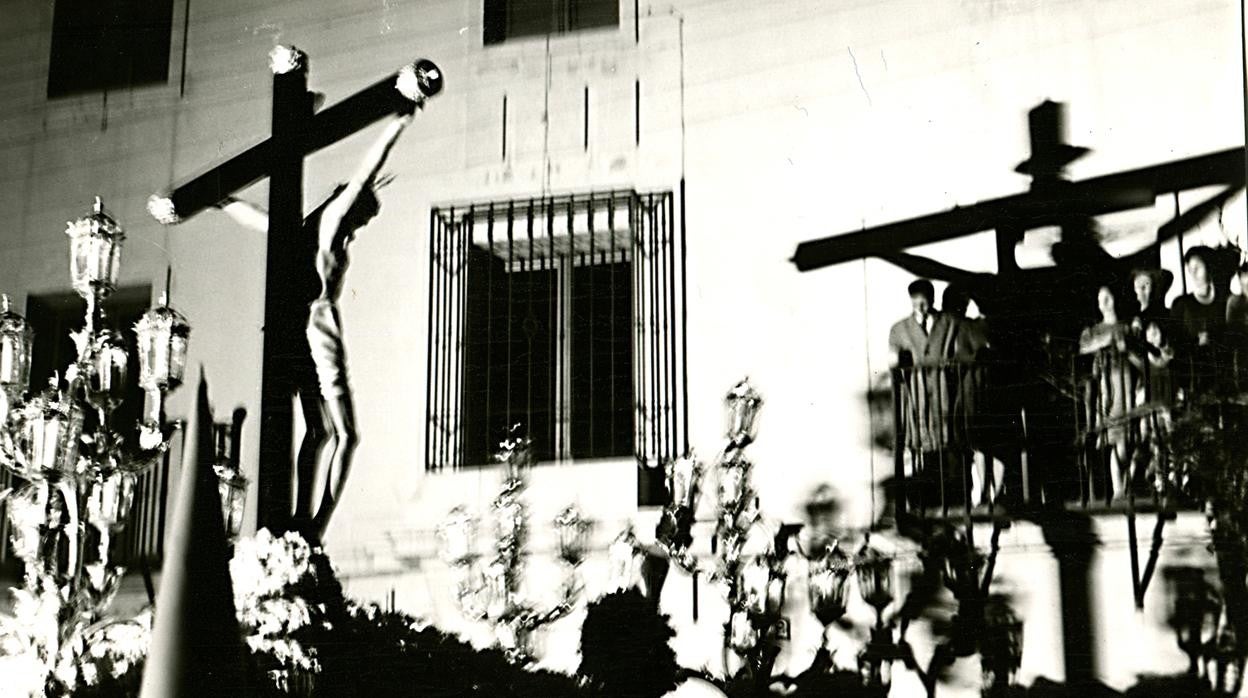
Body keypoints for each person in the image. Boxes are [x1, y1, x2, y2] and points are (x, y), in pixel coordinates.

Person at [216, 113, 413, 538]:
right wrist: (397, 125)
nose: (359, 229)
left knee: (323, 431)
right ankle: (314, 520)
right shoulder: (328, 226)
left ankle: (308, 520)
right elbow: (366, 173)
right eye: (363, 219)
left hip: (311, 330)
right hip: (317, 331)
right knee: (341, 433)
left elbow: (256, 219)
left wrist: (224, 201)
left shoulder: (304, 231)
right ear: (352, 208)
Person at [888, 279, 954, 504]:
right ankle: (928, 498)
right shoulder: (899, 329)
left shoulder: (947, 323)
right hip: (917, 395)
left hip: (943, 392)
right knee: (922, 444)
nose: (920, 305)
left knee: (948, 443)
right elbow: (893, 356)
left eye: (924, 299)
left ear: (932, 299)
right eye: (915, 299)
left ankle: (950, 496)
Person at [1079, 285, 1140, 500]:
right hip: (1107, 385)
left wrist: (1126, 346)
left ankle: (1126, 483)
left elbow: (1139, 355)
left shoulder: (1126, 327)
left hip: (1128, 381)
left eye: (1107, 297)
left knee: (1130, 437)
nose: (1102, 303)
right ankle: (1119, 489)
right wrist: (1104, 341)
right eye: (1099, 299)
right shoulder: (1094, 330)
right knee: (1113, 436)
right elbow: (1083, 347)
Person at [1171, 246, 1230, 398]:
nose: (1193, 273)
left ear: (1209, 267)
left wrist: (1215, 337)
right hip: (1194, 382)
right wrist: (1195, 341)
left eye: (1197, 267)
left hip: (1224, 380)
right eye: (1190, 269)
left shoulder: (1225, 301)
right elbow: (1174, 345)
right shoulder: (1181, 305)